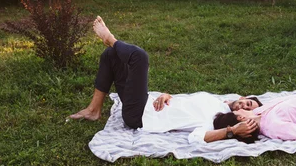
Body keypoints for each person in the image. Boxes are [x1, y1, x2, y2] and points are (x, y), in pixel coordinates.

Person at [70, 16, 261, 142]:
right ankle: (94, 110)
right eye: (248, 103)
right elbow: (185, 104)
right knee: (111, 55)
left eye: (245, 113)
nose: (243, 108)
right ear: (243, 96)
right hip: (147, 103)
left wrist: (233, 131)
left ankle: (110, 38)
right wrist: (167, 95)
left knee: (139, 57)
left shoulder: (214, 122)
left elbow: (196, 138)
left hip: (140, 116)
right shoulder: (216, 101)